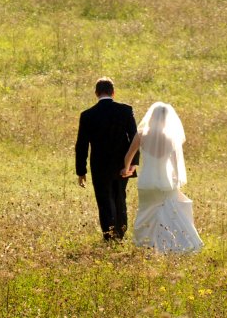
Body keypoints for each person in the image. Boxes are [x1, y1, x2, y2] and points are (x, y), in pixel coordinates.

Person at [121, 102, 203, 253]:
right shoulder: (171, 138)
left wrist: (126, 170)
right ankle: (171, 245)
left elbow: (129, 155)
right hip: (164, 181)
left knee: (145, 212)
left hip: (146, 181)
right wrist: (176, 180)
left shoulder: (141, 134)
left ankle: (145, 244)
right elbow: (176, 163)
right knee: (169, 214)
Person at [75, 77, 138, 240]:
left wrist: (81, 171)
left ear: (96, 93)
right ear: (113, 92)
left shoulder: (87, 115)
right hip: (122, 164)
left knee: (104, 199)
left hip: (99, 165)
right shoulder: (125, 110)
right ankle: (121, 232)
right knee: (120, 197)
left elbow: (81, 145)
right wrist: (133, 164)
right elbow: (135, 138)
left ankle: (109, 234)